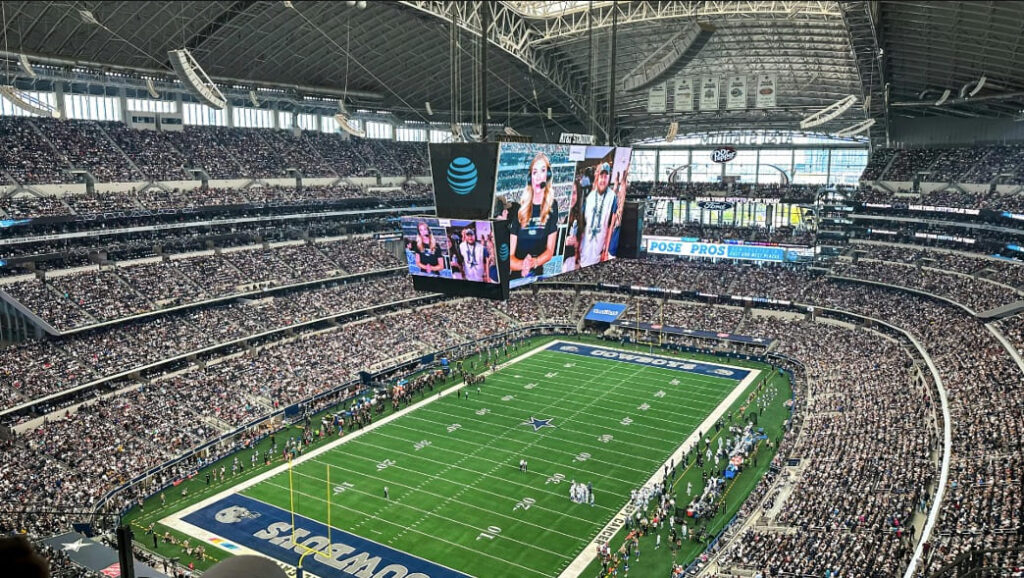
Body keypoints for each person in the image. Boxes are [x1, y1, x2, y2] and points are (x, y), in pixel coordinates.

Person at [509, 152, 559, 280]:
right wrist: (523, 265)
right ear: (530, 177)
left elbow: (549, 251)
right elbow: (510, 257)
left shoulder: (552, 206)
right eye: (534, 172)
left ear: (548, 175)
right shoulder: (519, 209)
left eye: (542, 171)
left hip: (537, 275)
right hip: (517, 276)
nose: (538, 177)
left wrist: (534, 262)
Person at [578, 161, 625, 267]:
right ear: (597, 176)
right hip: (585, 249)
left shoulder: (612, 197)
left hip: (598, 250)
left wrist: (606, 250)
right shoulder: (589, 197)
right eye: (601, 176)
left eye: (605, 177)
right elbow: (583, 223)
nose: (603, 179)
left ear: (609, 178)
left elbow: (610, 226)